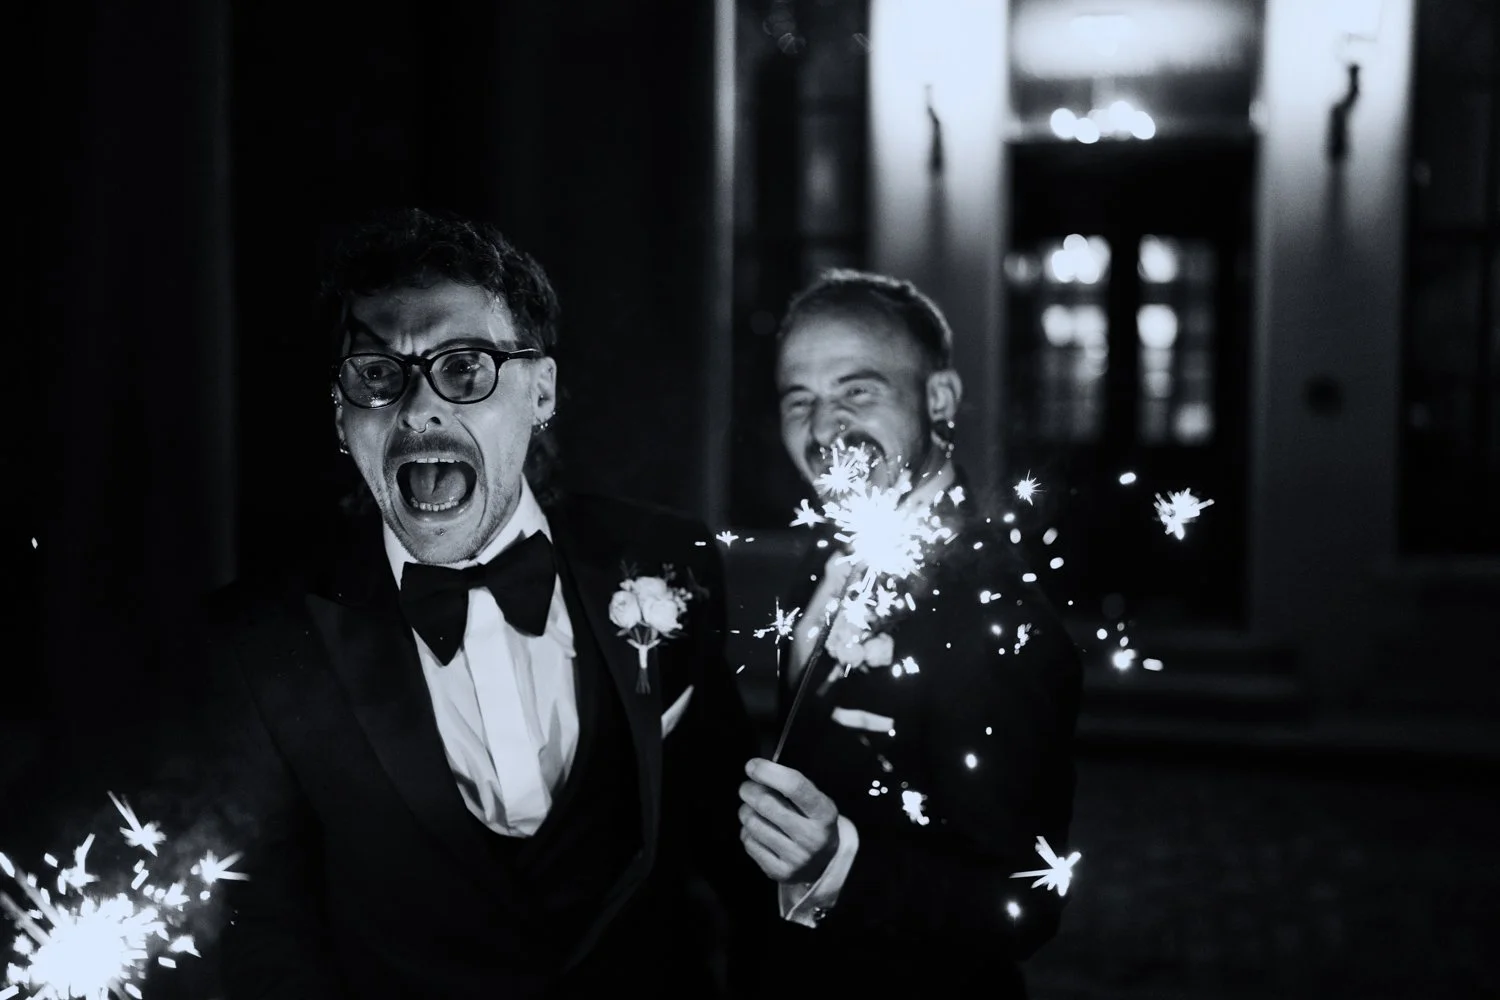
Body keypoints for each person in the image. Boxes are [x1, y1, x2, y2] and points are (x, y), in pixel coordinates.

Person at [163, 208, 767, 998]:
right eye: (378, 374)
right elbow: (262, 939)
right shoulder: (261, 639)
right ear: (342, 418)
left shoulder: (665, 560)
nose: (417, 410)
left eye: (465, 366)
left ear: (540, 389)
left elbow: (733, 848)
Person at [736, 269, 1083, 996]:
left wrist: (838, 860)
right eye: (799, 399)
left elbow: (1025, 904)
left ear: (939, 399)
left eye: (857, 390)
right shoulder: (819, 563)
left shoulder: (1004, 620)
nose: (823, 426)